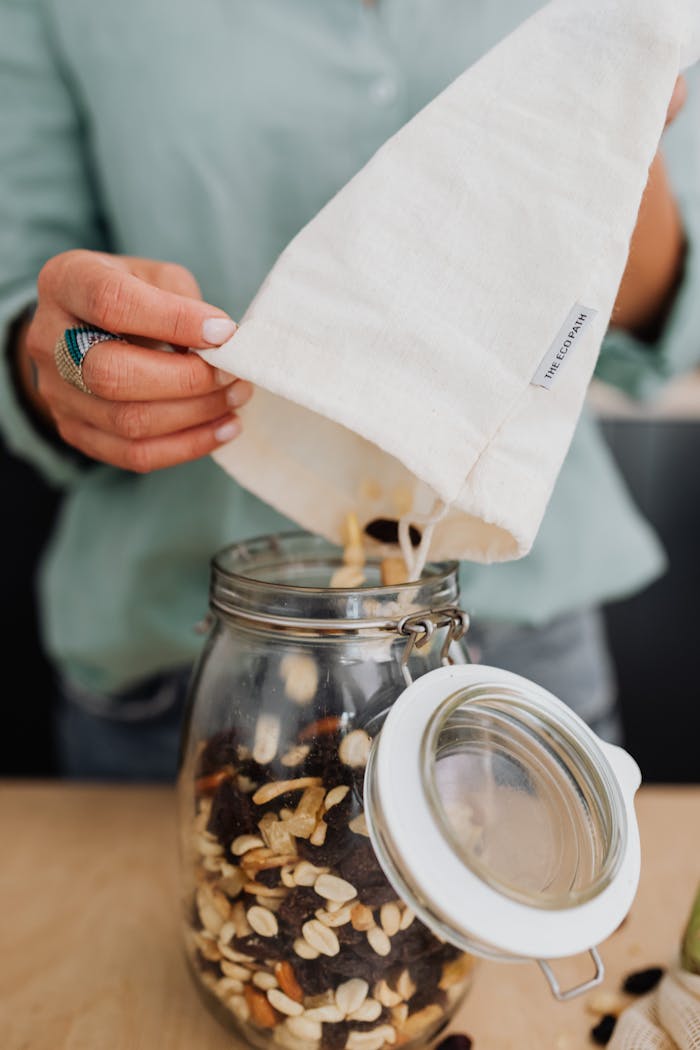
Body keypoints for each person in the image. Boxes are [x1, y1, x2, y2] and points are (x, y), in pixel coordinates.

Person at [0, 0, 697, 781]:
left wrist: (610, 145)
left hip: (511, 662)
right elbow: (19, 295)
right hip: (194, 667)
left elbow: (658, 332)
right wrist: (74, 356)